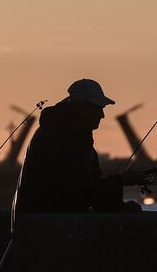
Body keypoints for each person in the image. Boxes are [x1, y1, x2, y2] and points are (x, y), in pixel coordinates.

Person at [13, 79, 145, 213]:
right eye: (98, 108)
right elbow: (77, 190)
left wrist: (120, 203)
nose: (102, 115)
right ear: (80, 106)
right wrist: (120, 181)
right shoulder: (59, 137)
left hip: (49, 221)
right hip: (46, 224)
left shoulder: (74, 136)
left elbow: (87, 190)